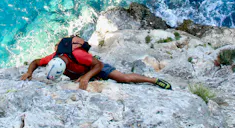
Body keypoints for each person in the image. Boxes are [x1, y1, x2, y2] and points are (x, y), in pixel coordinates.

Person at [20, 35, 172, 91]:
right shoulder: (53, 57)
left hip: (92, 67)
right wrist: (29, 72)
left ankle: (154, 80)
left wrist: (87, 77)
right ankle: (86, 76)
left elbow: (98, 65)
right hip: (78, 71)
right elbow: (35, 62)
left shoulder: (79, 55)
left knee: (124, 79)